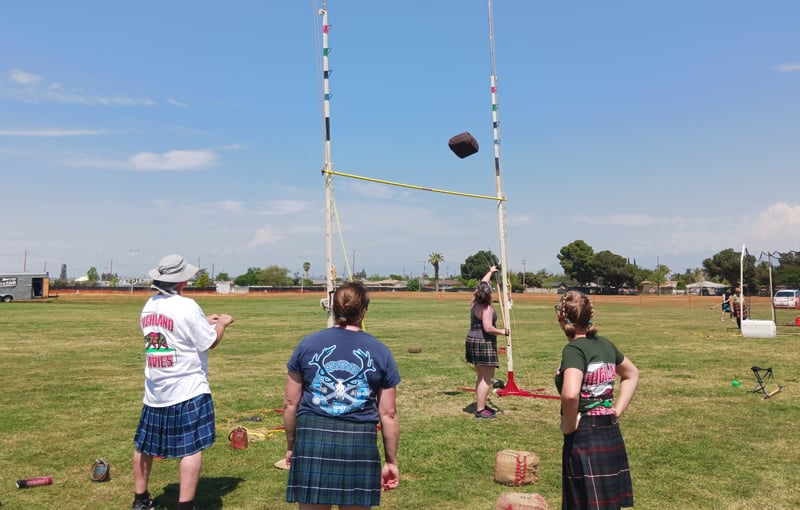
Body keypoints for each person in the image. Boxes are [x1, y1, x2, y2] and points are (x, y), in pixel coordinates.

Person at [283, 282, 400, 509]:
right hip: (360, 441)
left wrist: (291, 446)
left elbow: (290, 404)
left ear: (333, 309)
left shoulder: (307, 344)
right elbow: (389, 414)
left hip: (312, 439)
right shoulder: (380, 351)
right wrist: (391, 461)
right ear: (364, 311)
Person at [132, 254, 234, 510]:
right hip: (187, 389)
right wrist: (221, 323)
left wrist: (203, 321)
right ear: (181, 282)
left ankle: (140, 499)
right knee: (191, 448)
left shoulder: (149, 305)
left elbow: (173, 331)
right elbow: (208, 342)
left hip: (156, 389)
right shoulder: (187, 306)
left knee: (144, 445)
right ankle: (185, 505)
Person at [554, 290, 638, 510]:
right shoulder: (605, 345)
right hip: (609, 431)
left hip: (585, 435)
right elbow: (631, 374)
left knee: (584, 504)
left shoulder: (574, 350)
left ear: (560, 318)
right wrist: (615, 411)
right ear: (590, 316)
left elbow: (570, 394)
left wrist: (570, 426)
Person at [465, 265, 509, 420]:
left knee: (480, 376)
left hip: (472, 340)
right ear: (490, 294)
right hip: (484, 342)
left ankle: (481, 404)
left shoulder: (474, 302)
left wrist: (490, 272)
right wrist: (503, 332)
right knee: (487, 378)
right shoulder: (487, 308)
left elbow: (482, 285)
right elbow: (488, 328)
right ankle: (480, 409)